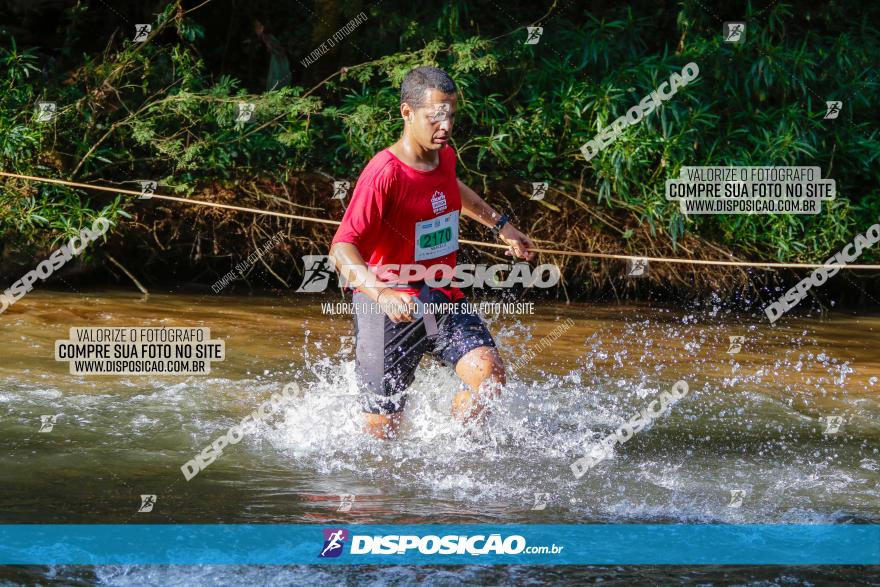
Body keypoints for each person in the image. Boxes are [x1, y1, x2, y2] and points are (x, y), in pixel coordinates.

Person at [328, 66, 536, 440]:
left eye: (451, 116)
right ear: (407, 113)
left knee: (488, 374)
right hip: (388, 306)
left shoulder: (444, 157)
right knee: (381, 436)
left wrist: (501, 226)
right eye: (435, 117)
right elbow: (341, 249)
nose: (445, 126)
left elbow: (454, 190)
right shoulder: (384, 173)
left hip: (440, 295)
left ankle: (452, 453)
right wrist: (383, 293)